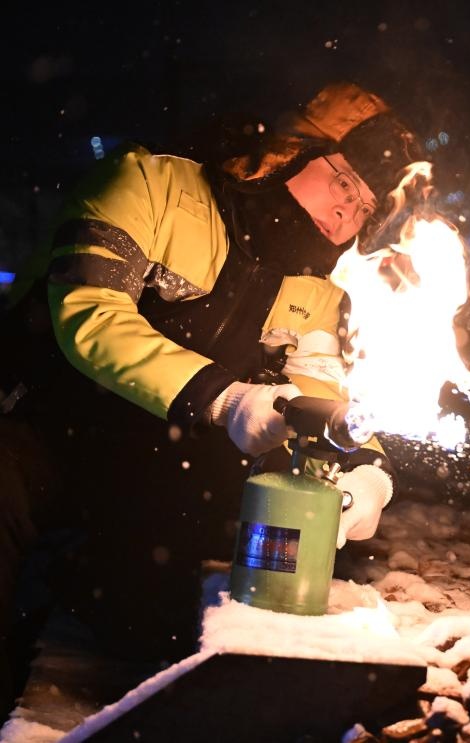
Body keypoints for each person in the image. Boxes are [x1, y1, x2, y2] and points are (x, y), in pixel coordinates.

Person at [0, 81, 426, 703]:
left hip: (154, 459)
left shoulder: (317, 284)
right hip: (38, 427)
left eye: (363, 207)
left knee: (148, 632)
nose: (345, 214)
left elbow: (318, 391)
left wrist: (366, 471)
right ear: (291, 150)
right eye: (343, 183)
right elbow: (90, 314)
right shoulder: (147, 183)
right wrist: (226, 399)